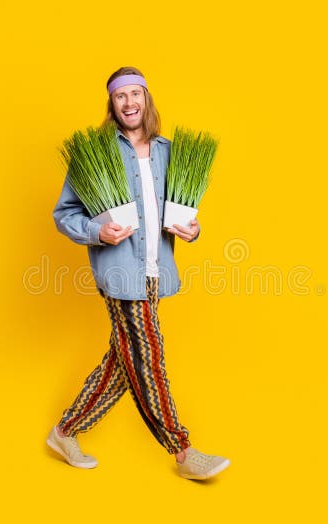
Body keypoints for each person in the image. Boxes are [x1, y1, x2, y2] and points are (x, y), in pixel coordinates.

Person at [47, 66, 230, 480]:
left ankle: (65, 431)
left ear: (147, 99)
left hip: (156, 271)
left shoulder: (168, 151)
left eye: (136, 94)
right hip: (120, 272)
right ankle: (183, 452)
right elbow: (64, 214)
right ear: (111, 104)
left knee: (123, 362)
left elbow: (182, 212)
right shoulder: (96, 153)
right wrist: (97, 230)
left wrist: (194, 229)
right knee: (148, 355)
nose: (129, 103)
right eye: (120, 96)